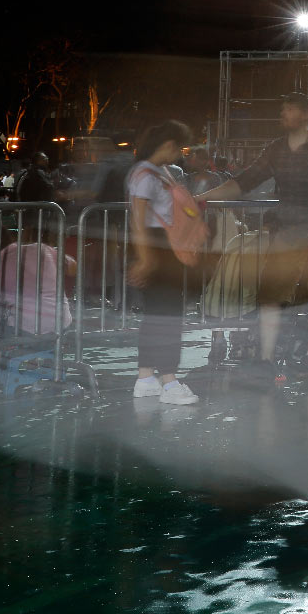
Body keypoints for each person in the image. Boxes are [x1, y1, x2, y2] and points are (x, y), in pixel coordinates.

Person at [197, 93, 308, 374]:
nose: (283, 114)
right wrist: (202, 198)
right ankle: (266, 359)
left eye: (289, 109)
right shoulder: (276, 149)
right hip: (287, 231)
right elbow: (244, 181)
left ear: (305, 114)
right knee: (271, 295)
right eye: (282, 109)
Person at [126, 120, 200, 405]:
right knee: (168, 316)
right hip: (157, 250)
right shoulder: (146, 174)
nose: (180, 153)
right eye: (179, 147)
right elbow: (138, 218)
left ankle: (146, 377)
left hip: (159, 249)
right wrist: (145, 259)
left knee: (158, 315)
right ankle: (169, 381)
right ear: (168, 145)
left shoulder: (155, 172)